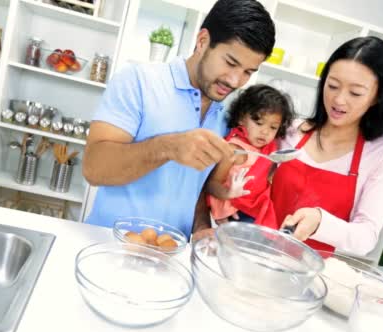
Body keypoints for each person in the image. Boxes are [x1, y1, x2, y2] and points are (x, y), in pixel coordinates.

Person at [82, 0, 276, 239]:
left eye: (248, 72)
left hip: (172, 256)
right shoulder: (138, 81)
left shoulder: (226, 117)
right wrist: (168, 148)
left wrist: (202, 227)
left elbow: (195, 189)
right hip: (107, 246)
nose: (236, 81)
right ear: (202, 41)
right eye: (231, 63)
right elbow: (94, 168)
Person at [270, 36, 383, 256]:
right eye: (332, 86)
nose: (339, 100)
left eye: (355, 93)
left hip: (311, 273)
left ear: (377, 97)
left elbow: (366, 238)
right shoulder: (291, 129)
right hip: (258, 253)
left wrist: (320, 222)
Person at [206, 84, 294, 228]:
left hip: (255, 208)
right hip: (232, 212)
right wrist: (229, 193)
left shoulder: (269, 149)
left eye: (273, 127)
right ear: (241, 118)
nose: (265, 132)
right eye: (259, 123)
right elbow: (211, 184)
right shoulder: (234, 150)